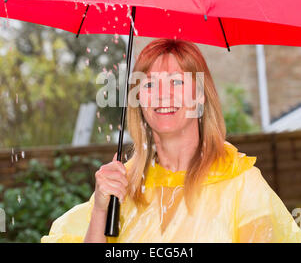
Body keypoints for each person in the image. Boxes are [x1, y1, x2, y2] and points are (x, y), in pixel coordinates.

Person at [41, 38, 301, 243]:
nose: (162, 96)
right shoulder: (121, 185)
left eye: (176, 82)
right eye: (150, 85)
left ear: (200, 95)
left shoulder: (240, 183)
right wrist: (100, 211)